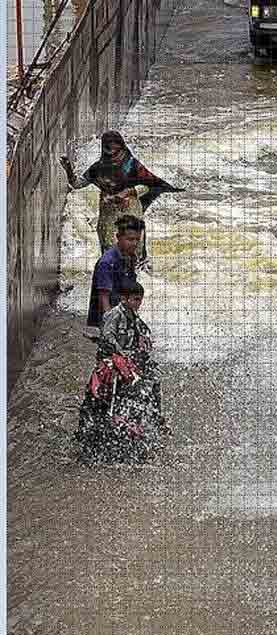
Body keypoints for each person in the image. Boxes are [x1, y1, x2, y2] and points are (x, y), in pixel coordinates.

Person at [76, 280, 168, 464]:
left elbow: (145, 332)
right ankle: (90, 435)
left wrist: (145, 343)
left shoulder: (133, 317)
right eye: (135, 299)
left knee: (153, 381)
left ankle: (155, 420)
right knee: (102, 398)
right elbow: (108, 337)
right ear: (123, 298)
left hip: (129, 364)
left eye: (140, 300)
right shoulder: (114, 315)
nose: (138, 303)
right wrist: (122, 353)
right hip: (111, 365)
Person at [60, 130, 184, 266]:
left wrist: (128, 193)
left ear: (122, 148)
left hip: (130, 212)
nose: (114, 157)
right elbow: (77, 184)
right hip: (108, 217)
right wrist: (69, 171)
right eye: (109, 153)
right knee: (110, 255)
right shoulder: (98, 168)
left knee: (136, 256)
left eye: (116, 153)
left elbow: (151, 185)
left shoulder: (133, 165)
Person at [87, 215, 143, 334]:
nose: (134, 243)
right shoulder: (107, 263)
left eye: (137, 239)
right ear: (118, 237)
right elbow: (104, 300)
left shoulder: (130, 257)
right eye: (130, 239)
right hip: (106, 320)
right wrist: (112, 327)